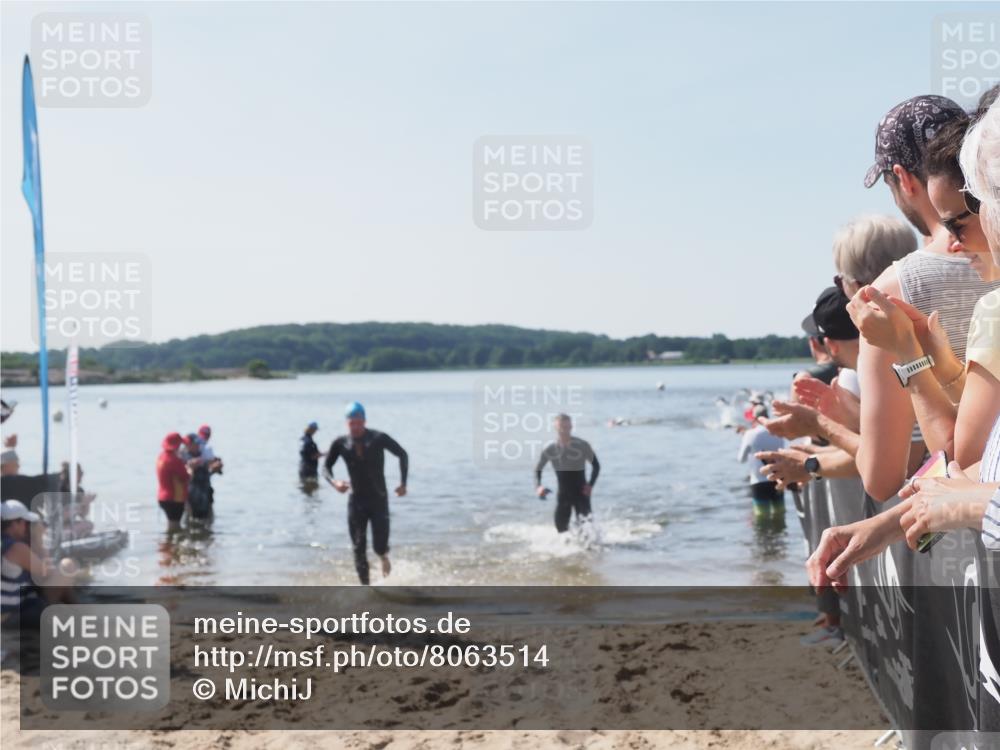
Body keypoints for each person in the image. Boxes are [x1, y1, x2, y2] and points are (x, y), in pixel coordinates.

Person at [856, 95, 998, 501]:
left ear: (902, 178)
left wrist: (910, 355)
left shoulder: (890, 292)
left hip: (966, 533)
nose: (956, 244)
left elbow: (884, 477)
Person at [323, 402, 408, 585]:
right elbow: (326, 467)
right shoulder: (341, 443)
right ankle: (366, 587)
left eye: (358, 422)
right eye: (351, 423)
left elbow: (402, 454)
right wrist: (334, 482)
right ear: (347, 423)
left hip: (378, 500)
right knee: (358, 547)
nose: (355, 427)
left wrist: (403, 483)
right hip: (356, 501)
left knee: (379, 547)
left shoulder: (378, 438)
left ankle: (384, 557)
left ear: (364, 421)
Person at [1, 500, 74, 631]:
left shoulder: (6, 544)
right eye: (24, 522)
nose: (26, 527)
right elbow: (48, 572)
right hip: (9, 619)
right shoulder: (16, 548)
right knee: (67, 567)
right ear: (14, 524)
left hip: (12, 610)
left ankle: (77, 609)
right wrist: (39, 539)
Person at [534, 413, 601, 532]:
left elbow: (596, 466)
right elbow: (538, 469)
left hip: (582, 493)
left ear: (571, 427)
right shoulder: (550, 448)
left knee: (587, 530)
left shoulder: (582, 445)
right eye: (561, 427)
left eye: (567, 427)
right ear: (556, 428)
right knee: (561, 530)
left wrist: (590, 485)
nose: (564, 430)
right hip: (563, 494)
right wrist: (538, 486)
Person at [737, 405, 785, 516]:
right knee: (780, 515)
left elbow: (741, 459)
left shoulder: (750, 434)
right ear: (767, 416)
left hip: (758, 482)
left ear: (754, 418)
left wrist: (745, 439)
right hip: (777, 479)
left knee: (762, 517)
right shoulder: (778, 432)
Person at [156, 433, 189, 530]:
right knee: (175, 526)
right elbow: (185, 477)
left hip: (162, 497)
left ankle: (168, 539)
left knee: (171, 524)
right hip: (174, 498)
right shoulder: (174, 460)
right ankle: (171, 539)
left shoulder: (161, 457)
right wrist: (191, 469)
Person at [182, 434, 214, 520]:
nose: (197, 446)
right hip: (191, 495)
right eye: (195, 444)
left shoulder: (204, 454)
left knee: (208, 519)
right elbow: (182, 478)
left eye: (198, 444)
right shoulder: (182, 457)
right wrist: (190, 467)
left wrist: (213, 467)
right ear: (188, 445)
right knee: (190, 519)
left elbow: (211, 470)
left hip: (206, 493)